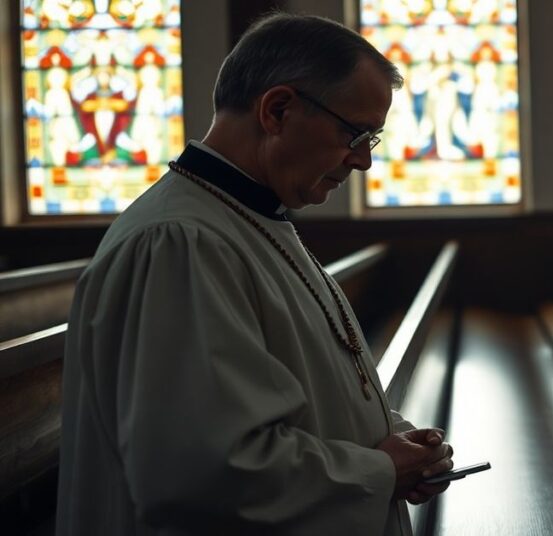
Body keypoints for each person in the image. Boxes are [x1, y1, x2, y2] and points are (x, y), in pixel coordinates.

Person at [56, 13, 454, 535]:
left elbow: (297, 391)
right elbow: (201, 473)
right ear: (278, 110)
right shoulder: (182, 243)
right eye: (355, 134)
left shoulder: (247, 219)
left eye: (371, 140)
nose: (363, 161)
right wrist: (379, 471)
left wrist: (394, 441)